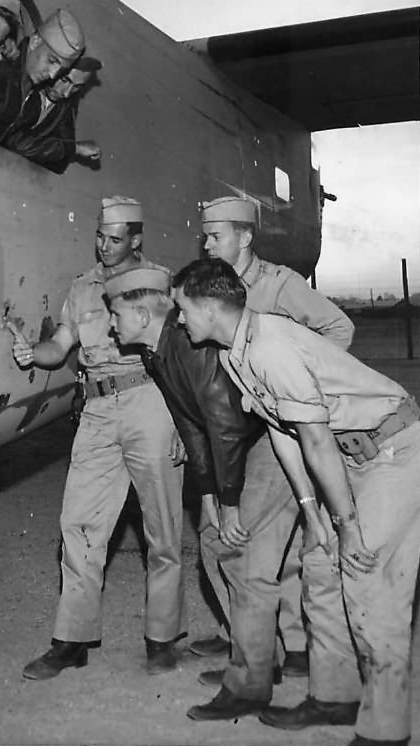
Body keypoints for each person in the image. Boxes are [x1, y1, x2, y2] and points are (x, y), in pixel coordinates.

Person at [174, 257, 420, 746]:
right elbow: (283, 431)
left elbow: (314, 439)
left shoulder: (270, 347)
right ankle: (335, 696)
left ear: (209, 306)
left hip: (394, 450)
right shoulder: (233, 353)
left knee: (369, 581)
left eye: (183, 309)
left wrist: (346, 524)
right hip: (349, 456)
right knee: (321, 563)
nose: (179, 320)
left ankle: (385, 732)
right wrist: (313, 513)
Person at [103, 266, 316, 721]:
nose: (110, 324)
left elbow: (223, 427)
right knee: (217, 545)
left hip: (264, 447)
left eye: (116, 314)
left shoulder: (185, 346)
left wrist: (230, 503)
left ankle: (251, 681)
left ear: (141, 314)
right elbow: (193, 429)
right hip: (240, 451)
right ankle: (262, 659)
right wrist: (206, 499)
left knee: (242, 559)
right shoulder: (157, 352)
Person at [7, 197, 185, 679]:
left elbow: (183, 353)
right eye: (100, 237)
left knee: (162, 527)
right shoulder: (82, 287)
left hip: (151, 403)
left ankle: (162, 638)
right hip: (98, 410)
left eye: (114, 239)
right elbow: (60, 346)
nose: (103, 247)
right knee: (78, 523)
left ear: (136, 240)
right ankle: (72, 639)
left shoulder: (160, 283)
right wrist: (32, 352)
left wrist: (185, 423)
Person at [192, 195, 355, 676]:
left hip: (276, 429)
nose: (206, 244)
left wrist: (299, 390)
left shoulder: (279, 285)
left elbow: (338, 327)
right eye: (205, 236)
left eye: (215, 236)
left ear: (245, 238)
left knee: (259, 538)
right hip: (237, 428)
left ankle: (277, 648)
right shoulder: (214, 287)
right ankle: (265, 638)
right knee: (261, 539)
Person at [0, 8, 99, 169]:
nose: (53, 75)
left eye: (60, 70)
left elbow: (15, 142)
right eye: (52, 61)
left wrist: (68, 149)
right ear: (35, 42)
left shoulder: (29, 93)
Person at [0, 55, 102, 171]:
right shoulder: (23, 85)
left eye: (76, 87)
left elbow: (59, 165)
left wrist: (61, 149)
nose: (67, 93)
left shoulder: (65, 107)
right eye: (65, 80)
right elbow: (13, 142)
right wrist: (73, 149)